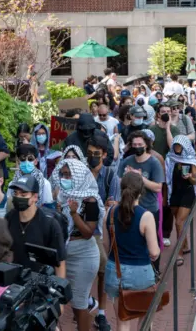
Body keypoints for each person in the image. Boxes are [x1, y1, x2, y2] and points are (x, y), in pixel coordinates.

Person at [50, 159, 104, 331]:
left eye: (69, 175)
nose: (65, 178)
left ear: (79, 177)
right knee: (70, 301)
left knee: (80, 303)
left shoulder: (90, 200)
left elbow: (89, 232)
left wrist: (74, 213)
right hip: (66, 253)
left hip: (84, 255)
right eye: (63, 174)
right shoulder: (63, 196)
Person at [104, 173, 160, 331]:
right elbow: (154, 252)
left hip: (115, 271)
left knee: (122, 320)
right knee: (144, 321)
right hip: (140, 272)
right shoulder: (146, 216)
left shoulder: (110, 212)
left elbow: (105, 244)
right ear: (141, 192)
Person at [86, 136, 119, 330]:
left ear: (104, 155)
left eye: (96, 154)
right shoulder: (81, 172)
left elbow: (113, 204)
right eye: (89, 153)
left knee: (103, 271)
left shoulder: (109, 175)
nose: (92, 157)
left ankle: (101, 313)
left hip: (100, 231)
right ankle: (84, 302)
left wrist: (109, 205)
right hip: (80, 229)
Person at [5, 175, 67, 278]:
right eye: (16, 193)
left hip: (40, 284)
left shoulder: (49, 224)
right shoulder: (10, 218)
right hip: (15, 282)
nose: (18, 197)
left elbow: (59, 262)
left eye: (23, 194)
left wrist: (59, 288)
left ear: (35, 197)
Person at [118, 131, 164, 268]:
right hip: (130, 207)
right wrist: (127, 177)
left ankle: (155, 270)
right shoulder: (126, 161)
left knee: (151, 240)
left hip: (149, 207)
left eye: (140, 144)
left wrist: (139, 177)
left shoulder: (154, 163)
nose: (137, 147)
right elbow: (119, 182)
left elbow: (158, 187)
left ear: (146, 145)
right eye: (134, 144)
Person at [164, 136, 196, 266]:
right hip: (174, 193)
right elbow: (166, 178)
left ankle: (179, 253)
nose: (177, 148)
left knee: (179, 222)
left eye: (179, 146)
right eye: (175, 145)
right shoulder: (170, 159)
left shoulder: (190, 161)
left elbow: (195, 181)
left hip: (187, 192)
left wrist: (190, 177)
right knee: (177, 221)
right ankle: (185, 244)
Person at [9, 144, 54, 208]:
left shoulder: (45, 184)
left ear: (35, 161)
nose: (26, 162)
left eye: (30, 159)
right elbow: (10, 204)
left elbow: (48, 208)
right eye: (23, 159)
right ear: (18, 161)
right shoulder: (12, 184)